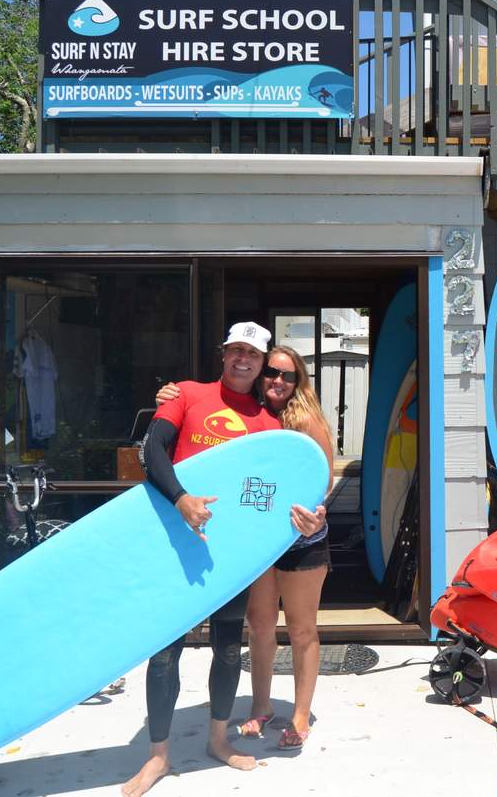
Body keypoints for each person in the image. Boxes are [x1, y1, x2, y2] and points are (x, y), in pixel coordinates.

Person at [122, 323, 325, 797]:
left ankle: (218, 740)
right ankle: (157, 757)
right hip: (176, 544)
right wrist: (181, 500)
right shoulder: (186, 394)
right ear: (224, 354)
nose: (243, 360)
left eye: (252, 354)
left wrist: (307, 517)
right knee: (165, 652)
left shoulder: (267, 422)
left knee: (229, 647)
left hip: (230, 557)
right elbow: (151, 452)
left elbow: (275, 494)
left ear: (259, 363)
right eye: (236, 350)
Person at [156, 344, 333, 752]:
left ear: (299, 381)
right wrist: (170, 395)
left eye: (288, 376)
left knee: (302, 628)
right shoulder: (253, 413)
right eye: (272, 372)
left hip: (302, 537)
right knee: (260, 625)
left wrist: (318, 515)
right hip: (261, 538)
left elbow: (322, 479)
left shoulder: (305, 419)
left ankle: (301, 714)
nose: (278, 381)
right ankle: (262, 705)